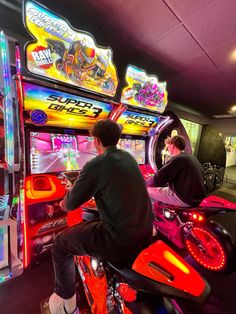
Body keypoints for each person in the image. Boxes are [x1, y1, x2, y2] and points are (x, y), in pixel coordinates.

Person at [49, 119, 154, 314]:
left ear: (96, 140)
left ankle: (66, 302)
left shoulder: (96, 164)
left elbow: (70, 204)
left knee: (60, 245)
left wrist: (62, 202)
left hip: (119, 241)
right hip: (146, 231)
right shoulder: (129, 157)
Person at [147, 135, 206, 207]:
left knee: (147, 190)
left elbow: (158, 179)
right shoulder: (190, 157)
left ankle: (152, 215)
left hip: (184, 198)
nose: (167, 149)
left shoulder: (177, 159)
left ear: (172, 145)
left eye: (168, 146)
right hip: (196, 197)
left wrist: (143, 182)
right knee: (160, 189)